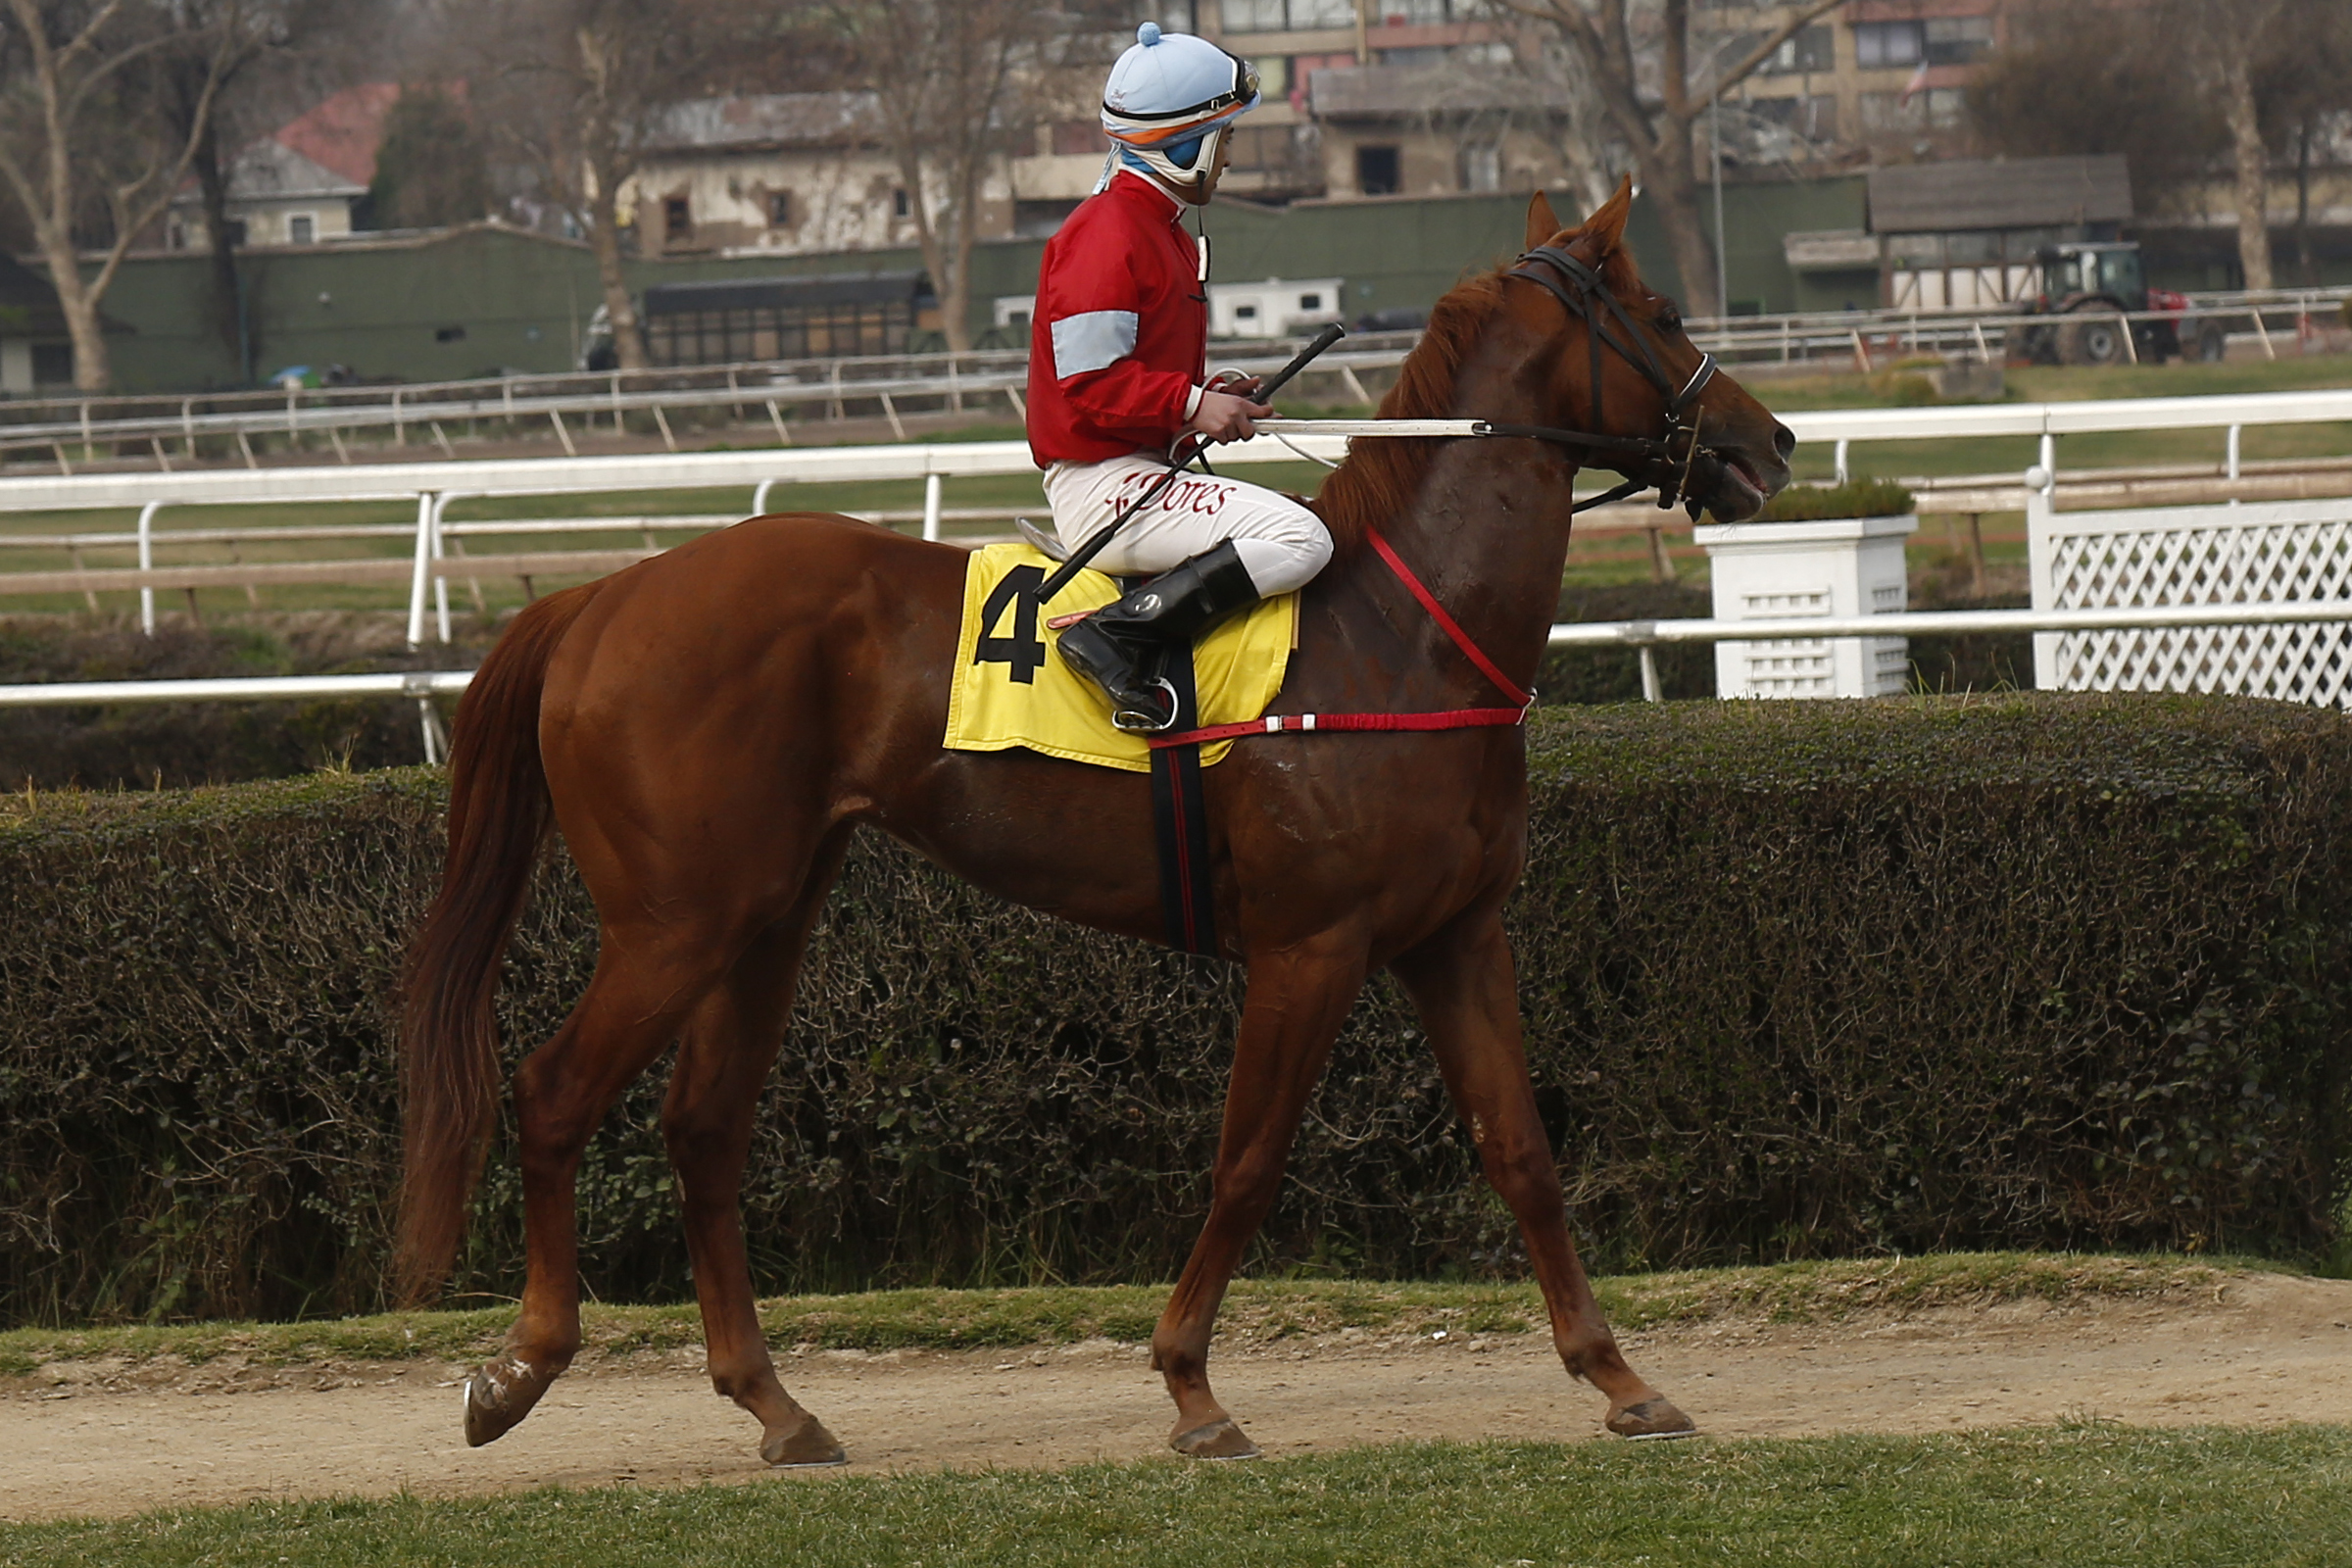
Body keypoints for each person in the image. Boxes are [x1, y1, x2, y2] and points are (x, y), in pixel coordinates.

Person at [1026, 22, 1334, 732]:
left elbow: (1133, 380)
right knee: (1303, 539)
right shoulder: (1106, 234)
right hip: (1102, 486)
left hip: (1135, 467)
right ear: (1184, 146)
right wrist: (1192, 407)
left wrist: (1207, 398)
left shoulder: (1156, 227)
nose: (1229, 159)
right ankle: (1113, 635)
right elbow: (1090, 386)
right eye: (1225, 140)